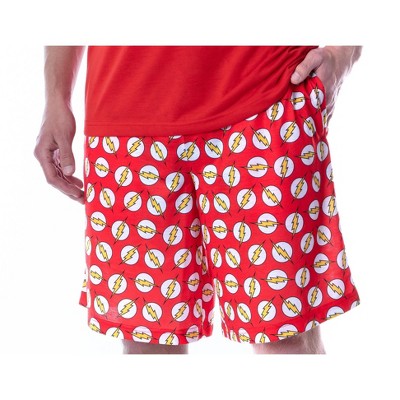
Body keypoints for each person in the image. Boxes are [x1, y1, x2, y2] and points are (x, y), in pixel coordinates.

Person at [34, 46, 361, 354]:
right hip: (125, 120)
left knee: (284, 336)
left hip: (264, 100)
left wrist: (344, 52)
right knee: (147, 339)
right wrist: (55, 99)